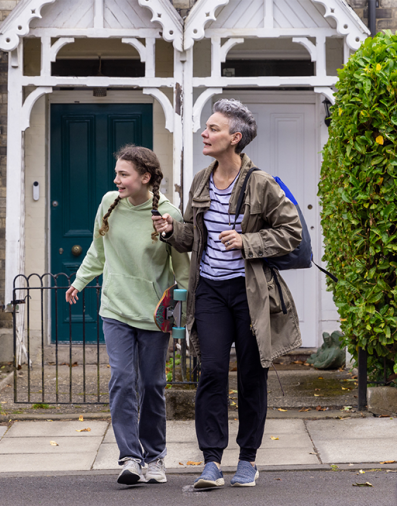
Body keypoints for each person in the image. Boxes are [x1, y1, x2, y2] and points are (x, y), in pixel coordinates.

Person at [153, 99, 302, 488]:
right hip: (211, 292)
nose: (205, 133)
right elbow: (191, 239)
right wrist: (171, 230)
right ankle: (212, 461)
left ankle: (248, 459)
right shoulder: (202, 180)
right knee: (213, 372)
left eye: (214, 128)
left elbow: (292, 233)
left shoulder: (261, 184)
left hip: (250, 294)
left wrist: (247, 240)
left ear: (235, 138)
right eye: (206, 127)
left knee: (253, 375)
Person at [66, 145, 190, 486]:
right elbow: (98, 248)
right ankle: (130, 457)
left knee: (152, 385)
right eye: (117, 173)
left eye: (124, 174)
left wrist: (193, 304)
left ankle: (155, 457)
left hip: (153, 313)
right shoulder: (110, 204)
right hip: (116, 308)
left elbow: (181, 267)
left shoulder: (168, 214)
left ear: (145, 177)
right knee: (122, 380)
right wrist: (80, 280)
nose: (116, 179)